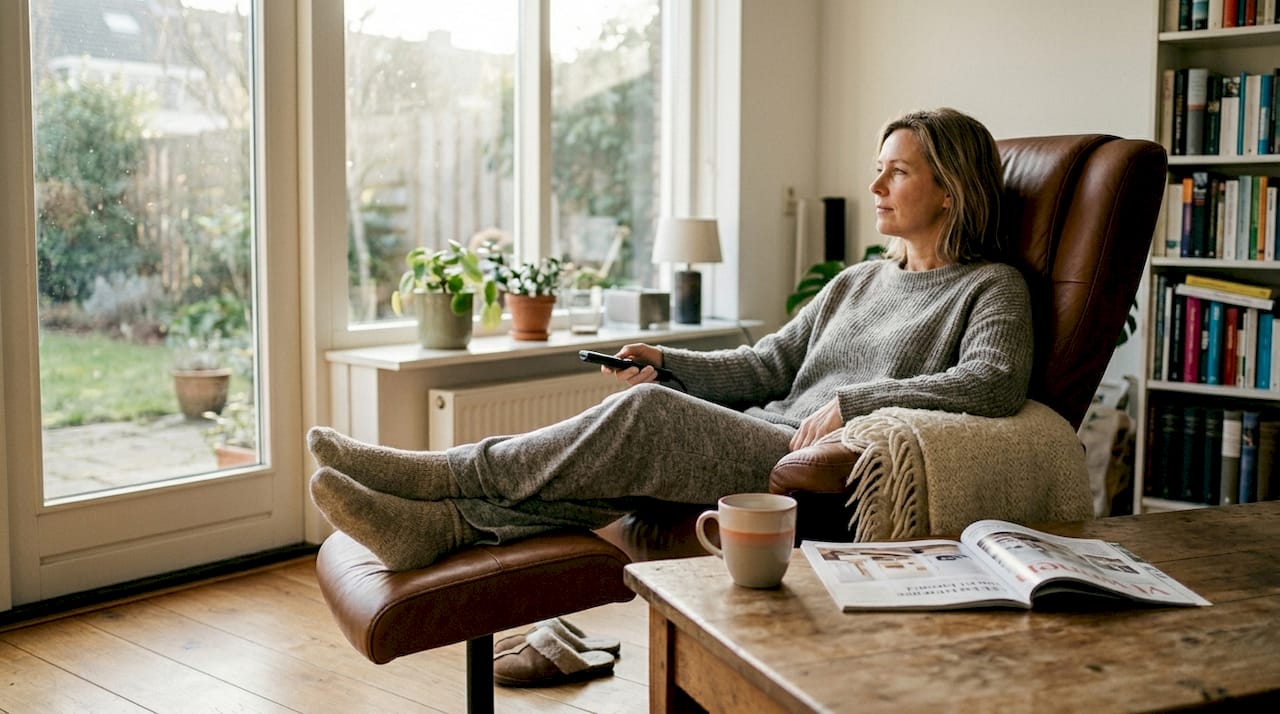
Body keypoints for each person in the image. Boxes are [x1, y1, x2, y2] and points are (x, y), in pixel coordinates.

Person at [307, 107, 1034, 571]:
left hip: (808, 460)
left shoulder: (990, 286)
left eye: (897, 172)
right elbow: (768, 363)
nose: (877, 186)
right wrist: (667, 359)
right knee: (633, 430)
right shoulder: (856, 281)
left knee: (647, 415)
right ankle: (447, 527)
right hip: (766, 431)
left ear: (950, 189)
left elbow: (994, 382)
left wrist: (856, 404)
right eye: (876, 169)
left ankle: (444, 474)